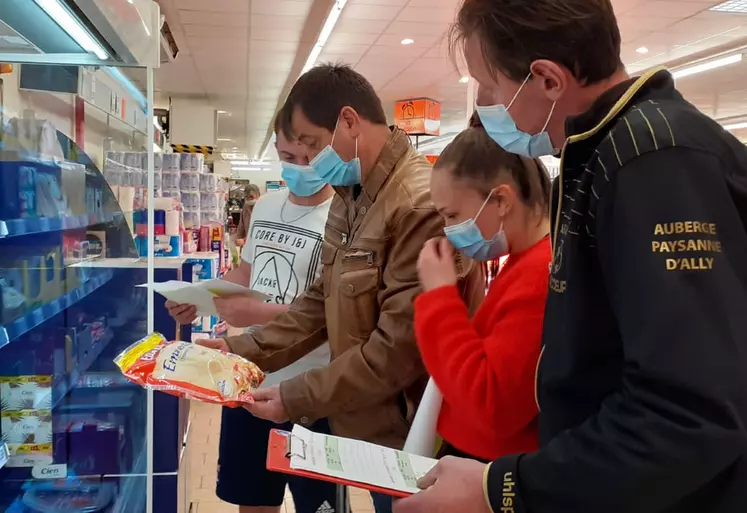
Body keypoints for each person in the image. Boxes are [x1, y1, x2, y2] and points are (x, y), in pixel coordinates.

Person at [394, 1, 747, 512]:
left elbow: (687, 412)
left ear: (548, 80)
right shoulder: (599, 157)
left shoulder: (652, 164)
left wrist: (506, 488)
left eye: (487, 86)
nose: (486, 105)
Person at [201, 64, 484, 513]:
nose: (309, 163)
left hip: (411, 433)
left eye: (311, 146)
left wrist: (295, 396)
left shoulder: (416, 206)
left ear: (349, 122)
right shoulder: (354, 194)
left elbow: (399, 349)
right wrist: (242, 351)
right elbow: (320, 301)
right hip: (367, 419)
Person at [166, 116, 339, 513]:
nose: (296, 165)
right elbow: (248, 270)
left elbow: (334, 310)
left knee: (320, 504)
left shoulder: (343, 217)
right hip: (249, 379)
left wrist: (258, 312)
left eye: (306, 156)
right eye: (286, 156)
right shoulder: (266, 206)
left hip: (312, 389)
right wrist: (202, 298)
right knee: (253, 499)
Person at [414, 127, 551, 463]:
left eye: (453, 216)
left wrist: (440, 296)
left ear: (501, 200)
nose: (448, 230)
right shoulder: (522, 261)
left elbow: (494, 404)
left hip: (491, 468)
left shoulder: (539, 275)